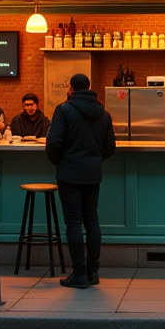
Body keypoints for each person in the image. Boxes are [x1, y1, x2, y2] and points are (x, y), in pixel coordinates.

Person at [46, 73, 116, 289]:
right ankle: (93, 272)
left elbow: (53, 142)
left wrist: (60, 161)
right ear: (89, 87)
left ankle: (79, 274)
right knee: (92, 220)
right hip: (92, 174)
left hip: (69, 174)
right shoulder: (103, 113)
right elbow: (110, 147)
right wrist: (94, 161)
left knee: (73, 222)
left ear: (71, 88)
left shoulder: (64, 109)